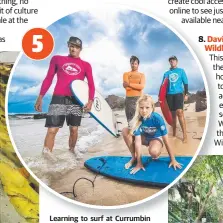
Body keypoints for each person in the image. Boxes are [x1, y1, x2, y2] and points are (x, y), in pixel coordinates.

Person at [34, 36, 95, 161]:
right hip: (58, 98)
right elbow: (49, 78)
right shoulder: (57, 59)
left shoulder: (86, 65)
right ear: (68, 46)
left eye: (77, 47)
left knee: (74, 129)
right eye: (72, 46)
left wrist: (90, 101)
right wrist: (40, 97)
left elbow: (91, 84)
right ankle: (46, 157)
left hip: (75, 100)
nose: (73, 49)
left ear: (80, 49)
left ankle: (72, 151)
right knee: (52, 130)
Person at [122, 94, 182, 174]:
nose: (144, 110)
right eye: (141, 107)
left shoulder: (157, 118)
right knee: (125, 131)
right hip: (144, 138)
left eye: (147, 107)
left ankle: (155, 150)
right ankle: (134, 158)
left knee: (154, 152)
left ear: (152, 107)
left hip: (155, 138)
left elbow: (166, 140)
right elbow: (138, 142)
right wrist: (139, 163)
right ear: (138, 108)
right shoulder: (138, 120)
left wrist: (173, 160)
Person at [161, 56, 189, 143]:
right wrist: (161, 98)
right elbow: (163, 86)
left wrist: (186, 94)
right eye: (170, 61)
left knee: (180, 112)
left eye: (173, 61)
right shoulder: (167, 73)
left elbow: (186, 83)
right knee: (173, 115)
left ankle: (185, 135)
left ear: (177, 62)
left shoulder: (181, 71)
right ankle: (174, 133)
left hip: (178, 94)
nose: (172, 62)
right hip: (169, 95)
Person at [123, 55, 145, 127]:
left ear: (138, 65)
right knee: (130, 121)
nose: (133, 65)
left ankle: (140, 136)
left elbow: (141, 86)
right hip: (129, 99)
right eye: (132, 63)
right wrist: (135, 86)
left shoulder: (142, 75)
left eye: (135, 63)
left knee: (141, 119)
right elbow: (127, 88)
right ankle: (132, 136)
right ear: (130, 64)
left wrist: (129, 84)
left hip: (139, 99)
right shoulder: (126, 74)